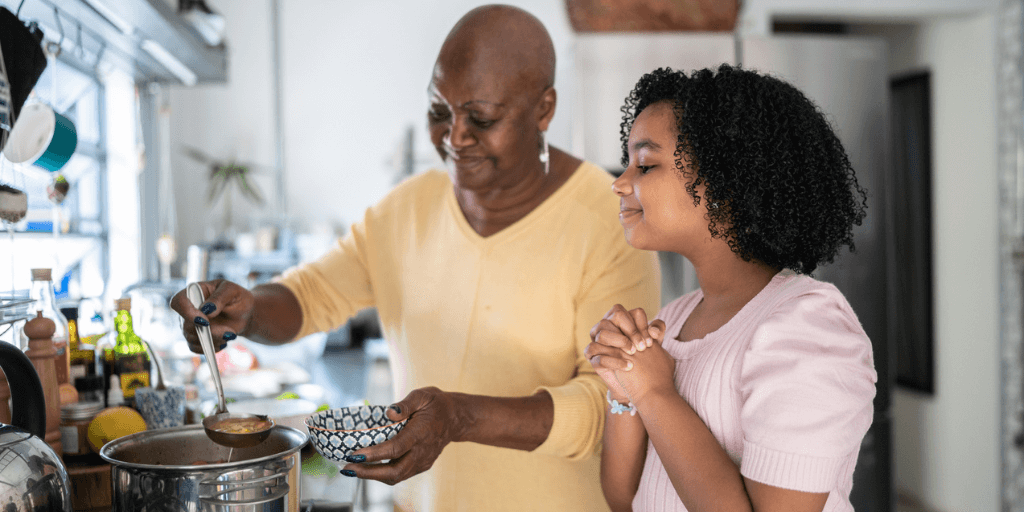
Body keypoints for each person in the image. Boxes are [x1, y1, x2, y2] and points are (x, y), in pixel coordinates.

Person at [170, 5, 660, 512]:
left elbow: (611, 404)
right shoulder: (405, 209)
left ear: (544, 109)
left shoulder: (610, 222)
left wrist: (459, 417)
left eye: (482, 118)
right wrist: (249, 309)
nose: (454, 137)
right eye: (438, 112)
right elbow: (310, 295)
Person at [584, 65, 877, 512]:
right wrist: (625, 392)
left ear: (725, 182)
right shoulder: (677, 317)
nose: (620, 183)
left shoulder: (808, 328)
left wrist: (653, 392)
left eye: (645, 164)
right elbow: (625, 498)